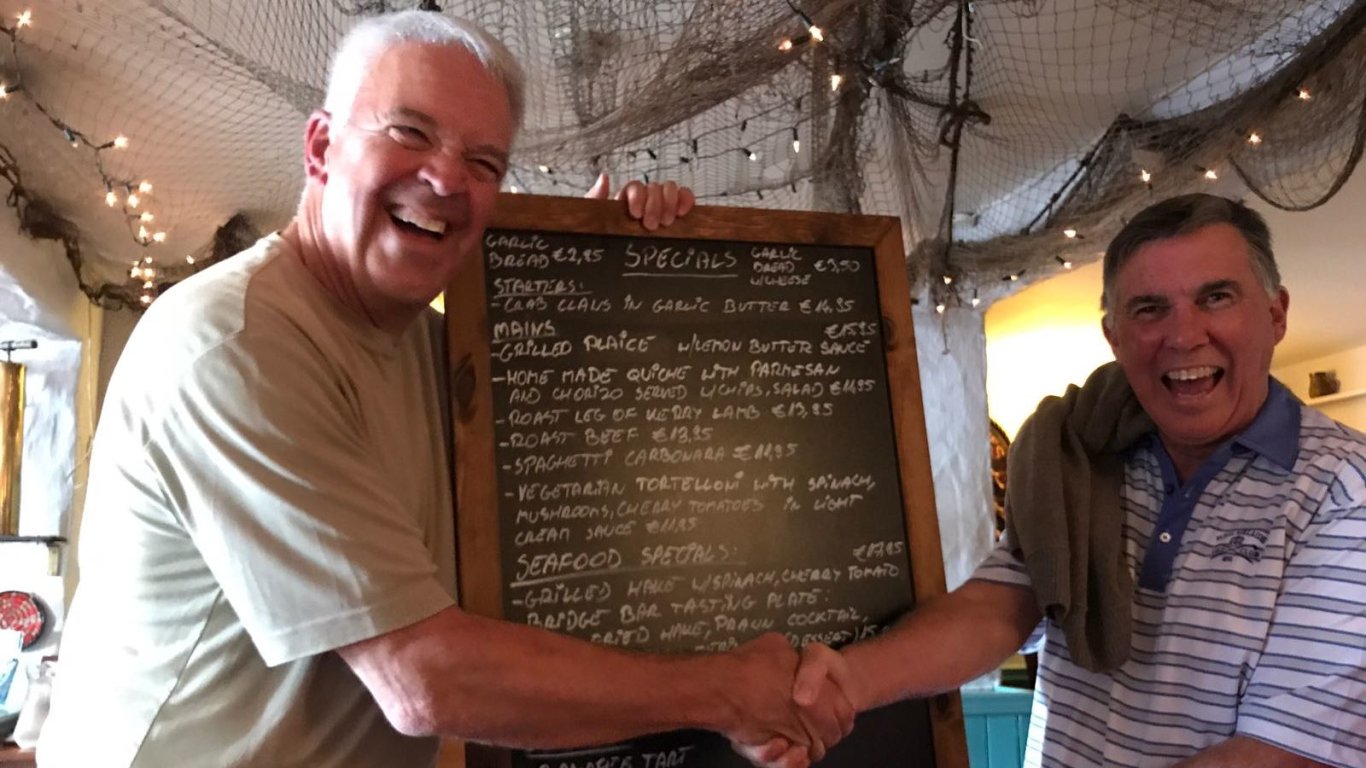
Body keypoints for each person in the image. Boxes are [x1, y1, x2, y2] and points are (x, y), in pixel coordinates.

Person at [39, 11, 853, 768]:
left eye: (483, 161)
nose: (445, 178)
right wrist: (728, 692)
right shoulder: (236, 341)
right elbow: (424, 681)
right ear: (321, 146)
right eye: (410, 132)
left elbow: (575, 516)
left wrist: (614, 271)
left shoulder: (440, 355)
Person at [792, 193, 1366, 767]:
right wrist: (843, 680)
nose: (1184, 335)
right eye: (1148, 308)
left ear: (1276, 315)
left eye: (1215, 297)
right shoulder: (1082, 452)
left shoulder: (1344, 489)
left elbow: (1283, 752)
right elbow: (997, 610)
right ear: (1114, 335)